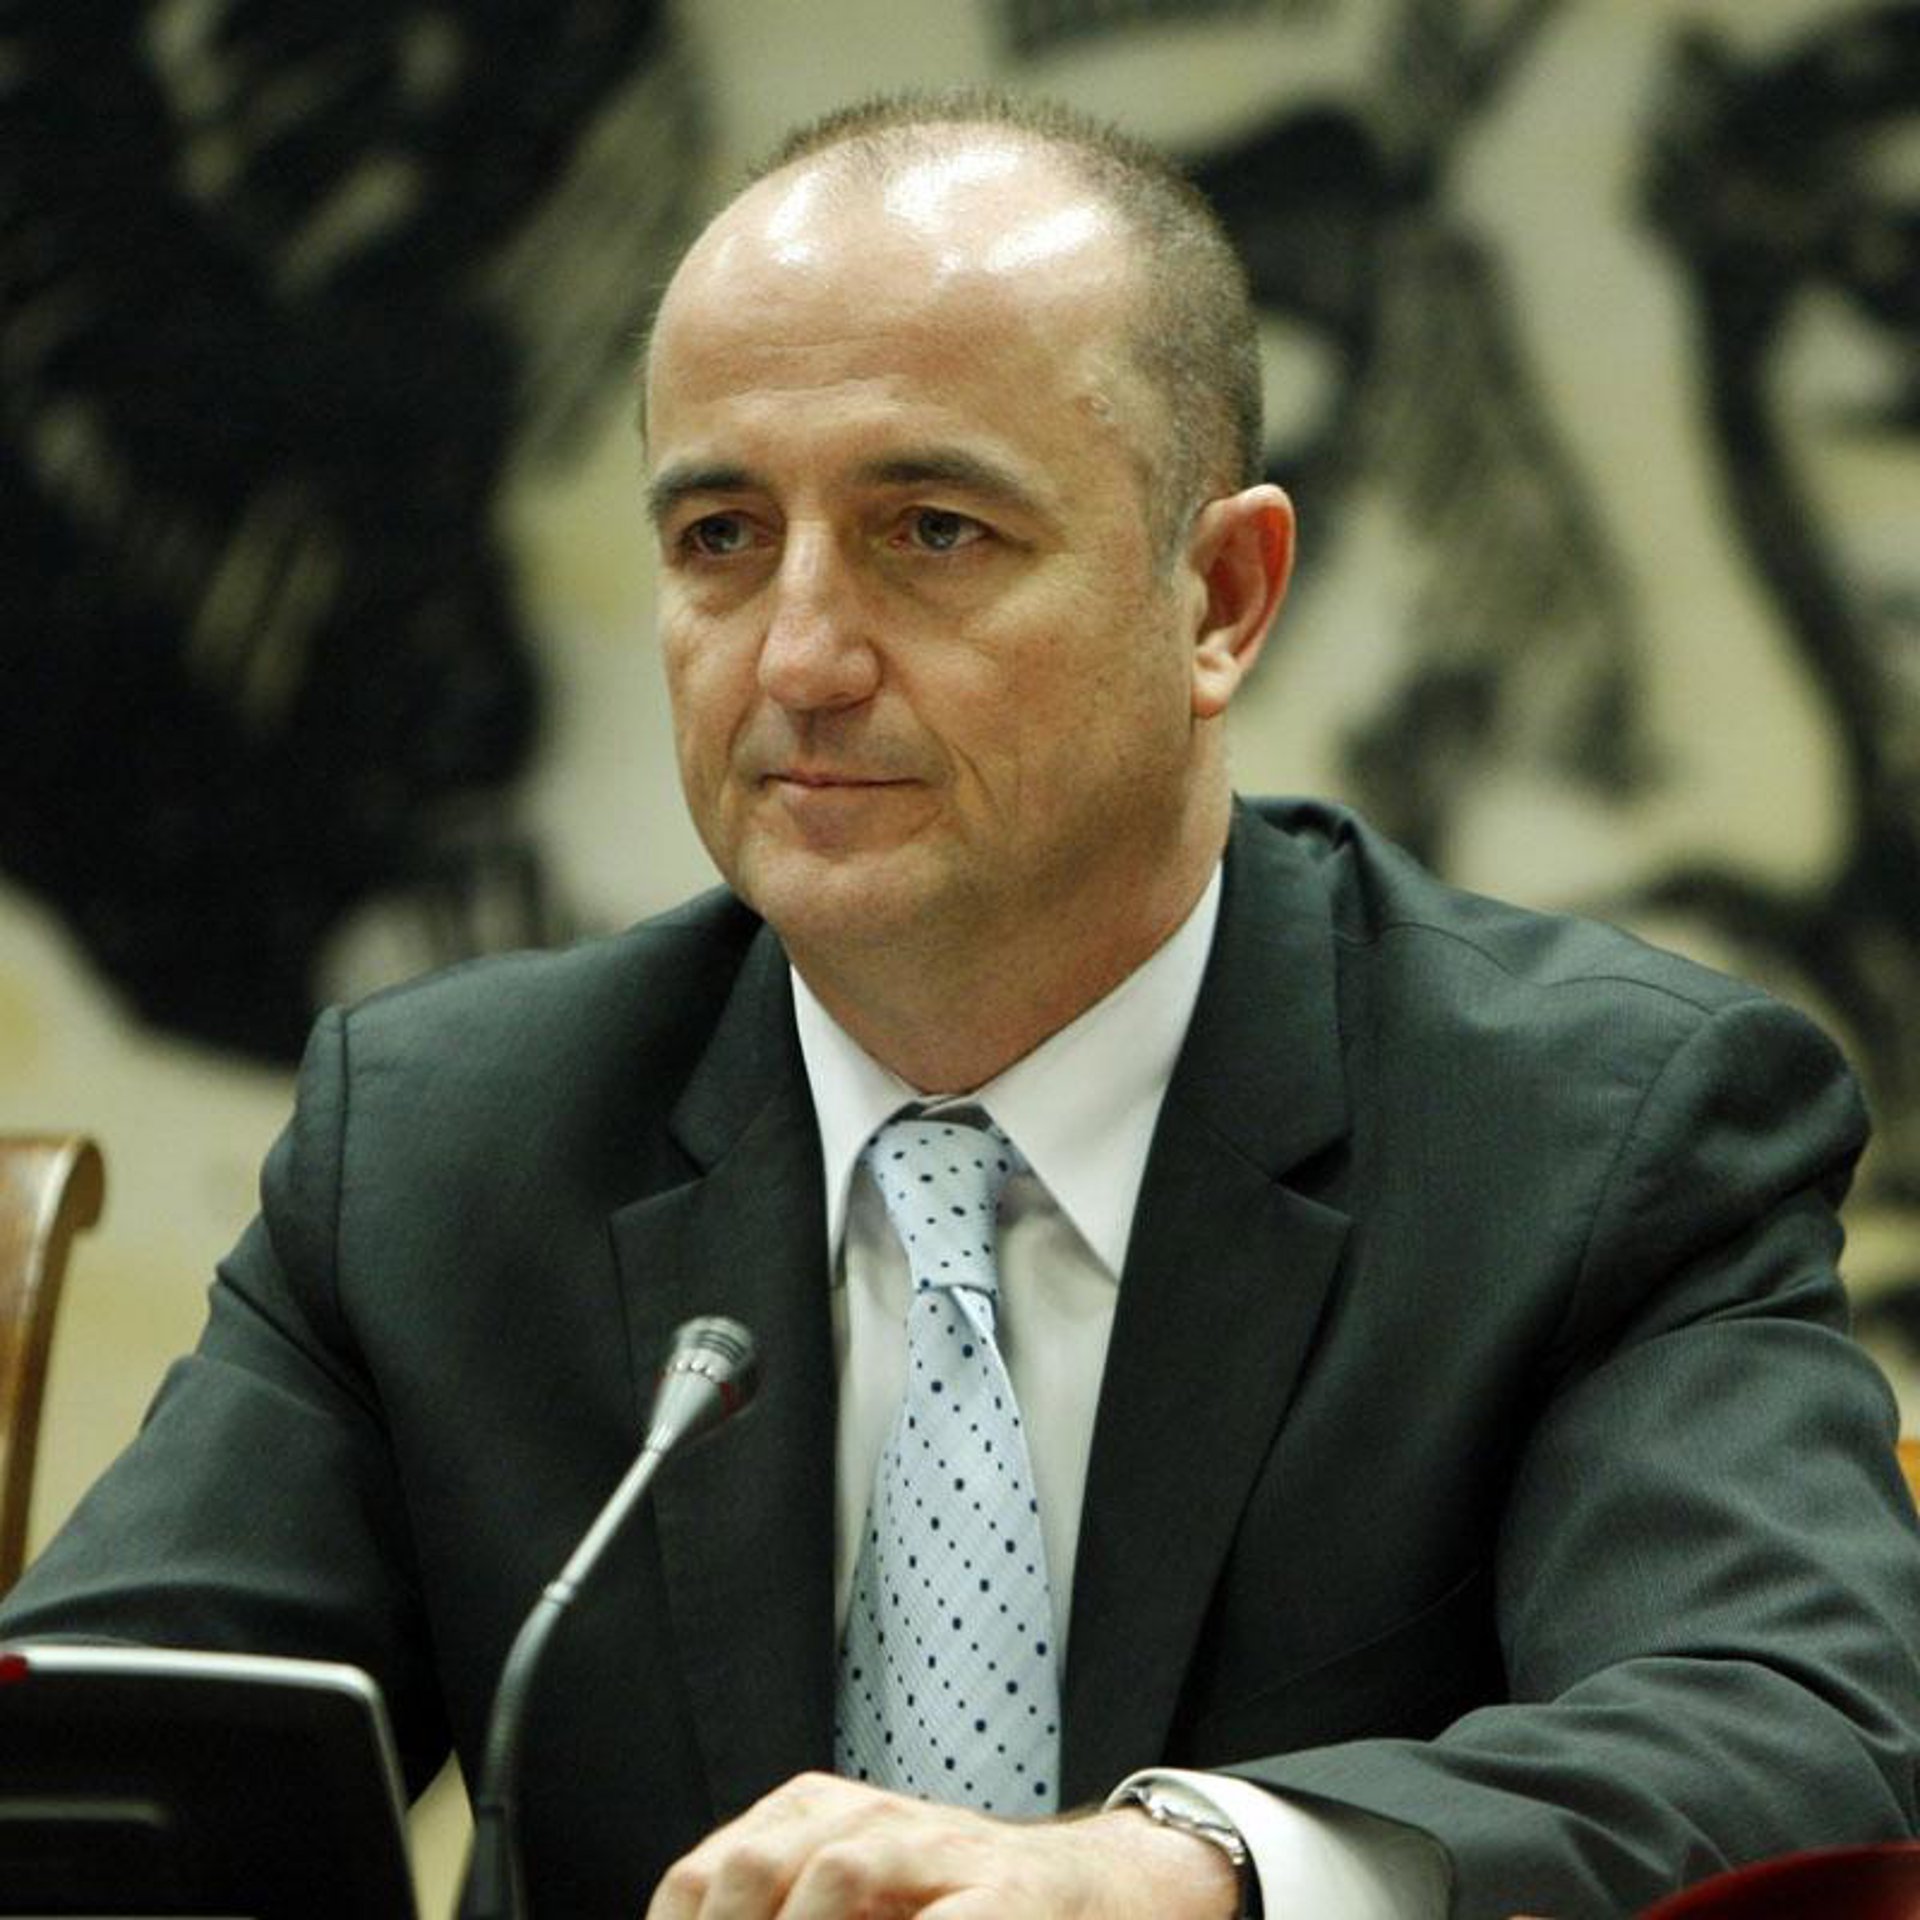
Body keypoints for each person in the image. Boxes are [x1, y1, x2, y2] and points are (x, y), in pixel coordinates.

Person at [4, 88, 1917, 1920]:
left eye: (933, 531)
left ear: (1221, 599)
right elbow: (85, 1788)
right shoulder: (441, 1147)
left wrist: (1187, 1868)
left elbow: (1803, 1736)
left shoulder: (1598, 1132)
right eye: (720, 537)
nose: (801, 659)